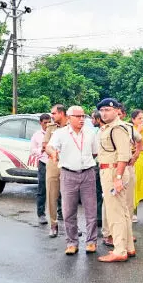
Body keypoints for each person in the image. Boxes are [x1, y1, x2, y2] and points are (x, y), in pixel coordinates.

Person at [46, 106, 99, 255]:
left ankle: (91, 241)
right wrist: (53, 153)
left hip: (88, 174)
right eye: (78, 116)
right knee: (69, 211)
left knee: (91, 210)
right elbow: (49, 147)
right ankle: (71, 243)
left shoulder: (90, 133)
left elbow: (95, 152)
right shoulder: (60, 133)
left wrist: (83, 162)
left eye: (83, 116)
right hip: (68, 175)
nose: (82, 119)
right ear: (69, 118)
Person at [95, 98, 136, 262]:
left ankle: (119, 250)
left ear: (117, 111)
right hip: (110, 170)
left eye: (108, 110)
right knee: (123, 212)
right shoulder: (107, 128)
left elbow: (124, 155)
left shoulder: (118, 128)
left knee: (115, 213)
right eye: (102, 110)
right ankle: (128, 247)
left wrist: (117, 178)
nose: (104, 113)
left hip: (113, 171)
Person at [43, 104, 66, 237]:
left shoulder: (71, 126)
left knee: (70, 195)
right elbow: (45, 145)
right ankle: (53, 224)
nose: (51, 116)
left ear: (61, 113)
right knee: (52, 194)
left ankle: (72, 224)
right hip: (53, 162)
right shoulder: (50, 127)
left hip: (68, 162)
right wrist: (52, 153)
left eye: (54, 113)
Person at [29, 113, 52, 225]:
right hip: (43, 163)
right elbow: (32, 150)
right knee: (42, 189)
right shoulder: (37, 135)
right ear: (40, 123)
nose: (47, 125)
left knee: (59, 190)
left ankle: (60, 213)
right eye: (45, 123)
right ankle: (41, 214)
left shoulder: (55, 133)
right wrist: (41, 150)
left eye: (49, 122)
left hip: (56, 163)